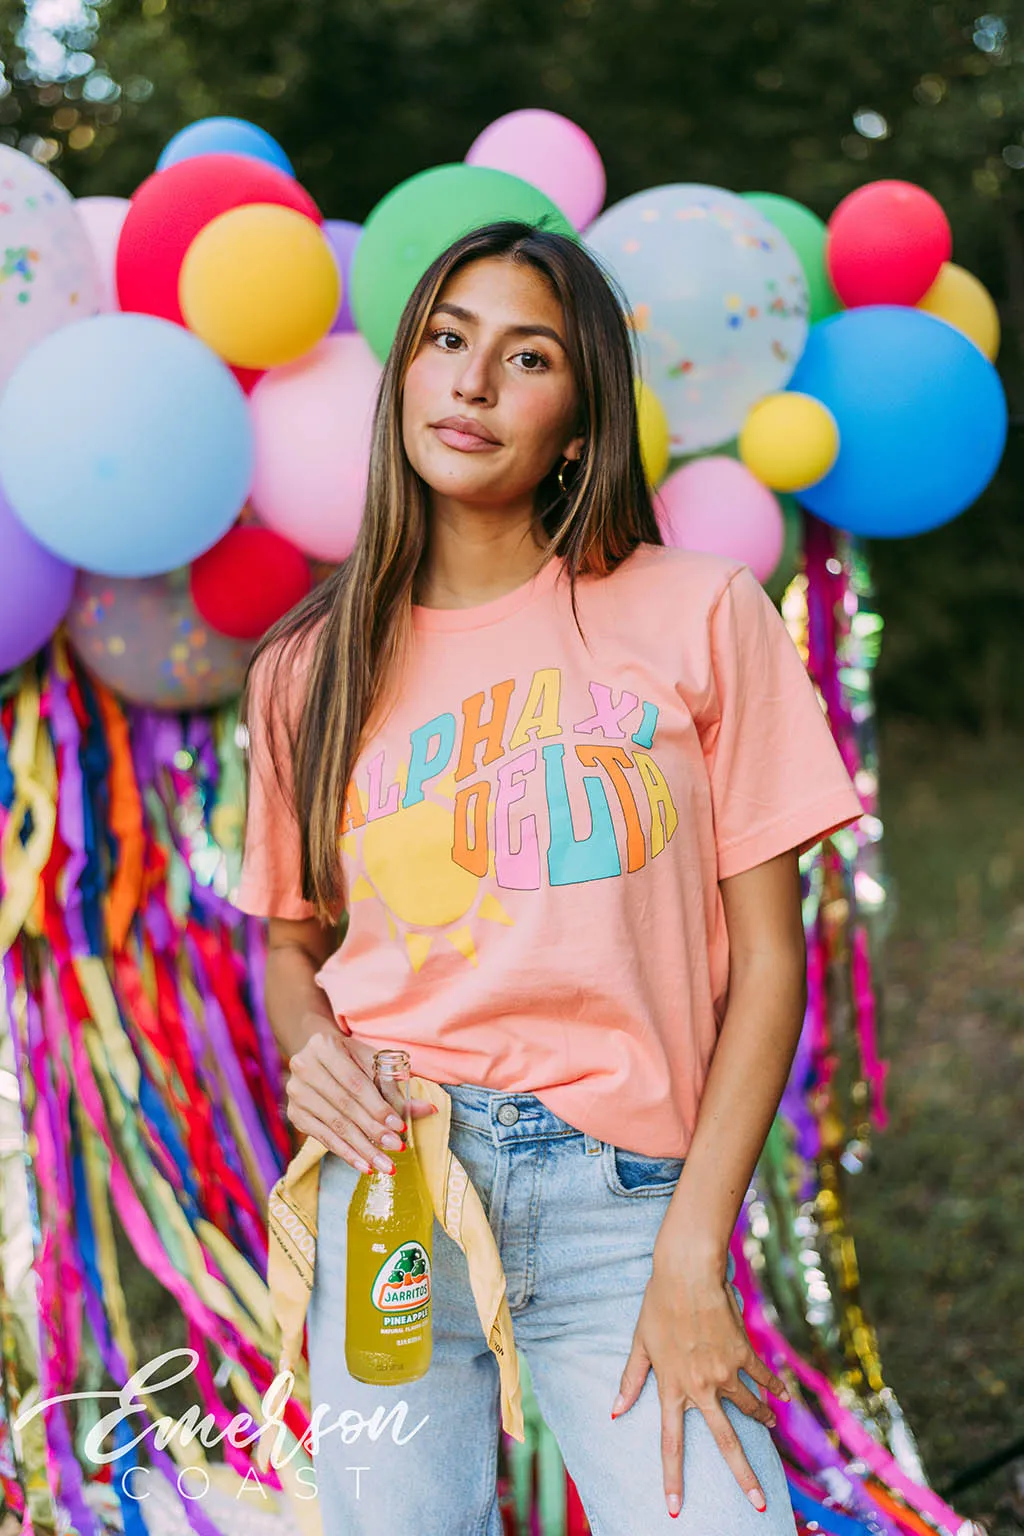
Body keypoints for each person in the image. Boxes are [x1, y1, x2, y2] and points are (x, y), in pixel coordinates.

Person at [234, 219, 863, 1534]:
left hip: (627, 1207)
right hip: (393, 1195)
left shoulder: (698, 613)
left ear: (579, 424)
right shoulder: (309, 667)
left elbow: (770, 966)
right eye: (448, 342)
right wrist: (307, 1049)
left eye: (524, 358)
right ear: (403, 375)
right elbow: (293, 942)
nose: (471, 382)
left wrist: (696, 1248)